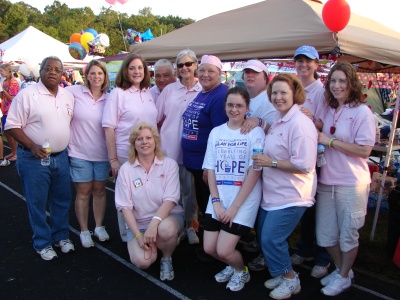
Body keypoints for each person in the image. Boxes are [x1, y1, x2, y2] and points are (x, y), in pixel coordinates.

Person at [252, 74, 318, 300]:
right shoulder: (280, 120)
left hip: (293, 194)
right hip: (273, 193)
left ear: (294, 95)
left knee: (272, 238)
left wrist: (269, 162)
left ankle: (291, 279)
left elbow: (305, 164)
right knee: (263, 235)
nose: (278, 97)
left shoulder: (300, 123)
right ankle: (282, 273)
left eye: (283, 93)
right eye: (275, 93)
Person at [5, 56, 75, 261]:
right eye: (48, 68)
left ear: (62, 74)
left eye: (57, 69)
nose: (52, 72)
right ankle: (42, 242)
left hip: (61, 157)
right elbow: (12, 125)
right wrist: (31, 145)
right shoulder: (27, 95)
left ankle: (61, 236)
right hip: (34, 159)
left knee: (62, 200)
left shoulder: (67, 95)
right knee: (37, 203)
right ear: (41, 71)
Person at [316, 62, 375, 296]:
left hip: (352, 183)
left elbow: (365, 151)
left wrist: (329, 141)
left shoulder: (362, 112)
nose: (337, 86)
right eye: (333, 81)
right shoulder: (330, 109)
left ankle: (342, 276)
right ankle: (343, 269)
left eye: (342, 81)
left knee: (348, 235)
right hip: (327, 182)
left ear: (352, 83)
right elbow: (319, 128)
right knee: (326, 235)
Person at [202, 87, 264, 291]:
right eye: (230, 105)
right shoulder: (216, 132)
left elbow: (254, 172)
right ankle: (231, 265)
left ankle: (240, 270)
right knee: (209, 248)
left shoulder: (255, 133)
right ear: (225, 106)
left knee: (224, 250)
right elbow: (210, 169)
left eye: (239, 105)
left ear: (247, 107)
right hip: (219, 198)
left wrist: (234, 208)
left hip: (242, 201)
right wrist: (216, 202)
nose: (234, 109)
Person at [115, 123, 184, 281]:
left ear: (156, 141)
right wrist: (139, 235)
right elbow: (125, 207)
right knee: (143, 262)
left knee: (165, 230)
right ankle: (156, 242)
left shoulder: (169, 165)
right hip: (138, 224)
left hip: (166, 219)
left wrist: (154, 225)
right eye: (139, 139)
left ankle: (166, 257)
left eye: (148, 138)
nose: (144, 142)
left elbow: (171, 199)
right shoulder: (126, 169)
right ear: (133, 144)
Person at [102, 53, 157, 242]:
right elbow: (109, 127)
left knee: (145, 195)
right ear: (125, 70)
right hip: (127, 154)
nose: (136, 71)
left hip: (149, 153)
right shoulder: (118, 93)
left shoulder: (148, 93)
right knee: (127, 197)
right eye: (132, 68)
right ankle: (129, 236)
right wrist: (113, 159)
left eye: (140, 68)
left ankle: (145, 232)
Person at [290, 45, 331, 278]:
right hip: (295, 155)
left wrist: (311, 119)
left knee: (317, 208)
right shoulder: (293, 87)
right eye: (299, 60)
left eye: (308, 61)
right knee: (304, 205)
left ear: (316, 64)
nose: (303, 65)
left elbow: (327, 126)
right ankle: (305, 248)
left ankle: (322, 255)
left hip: (315, 157)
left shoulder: (322, 92)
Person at [156, 49, 202, 244]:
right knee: (167, 191)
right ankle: (168, 224)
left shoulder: (203, 90)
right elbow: (156, 119)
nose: (184, 68)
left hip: (191, 153)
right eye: (180, 65)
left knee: (190, 192)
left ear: (195, 65)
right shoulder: (169, 90)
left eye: (188, 64)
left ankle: (191, 225)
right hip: (168, 151)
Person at [67, 60, 111, 248]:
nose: (96, 77)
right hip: (79, 153)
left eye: (100, 73)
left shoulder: (109, 98)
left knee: (100, 191)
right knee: (83, 192)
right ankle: (84, 230)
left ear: (105, 77)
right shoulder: (74, 92)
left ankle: (99, 227)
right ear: (86, 75)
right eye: (92, 73)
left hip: (102, 154)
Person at [181, 55, 228, 218]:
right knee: (203, 204)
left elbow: (220, 136)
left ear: (219, 73)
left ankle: (214, 237)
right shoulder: (204, 92)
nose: (205, 74)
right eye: (202, 70)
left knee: (210, 205)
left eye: (210, 71)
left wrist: (210, 166)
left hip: (205, 166)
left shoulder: (220, 95)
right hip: (195, 164)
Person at [240, 59, 276, 270]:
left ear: (265, 77)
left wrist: (261, 123)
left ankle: (266, 253)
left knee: (265, 210)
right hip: (251, 165)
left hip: (267, 165)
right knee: (254, 205)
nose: (250, 76)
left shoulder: (269, 100)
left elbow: (277, 130)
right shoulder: (248, 99)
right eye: (247, 73)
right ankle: (259, 241)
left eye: (255, 73)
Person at [0, 63, 20, 162]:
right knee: (6, 132)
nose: (0, 72)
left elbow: (12, 97)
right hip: (4, 110)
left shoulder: (13, 82)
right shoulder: (4, 82)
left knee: (12, 132)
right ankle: (13, 151)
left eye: (1, 71)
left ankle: (16, 153)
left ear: (7, 71)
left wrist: (3, 90)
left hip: (11, 110)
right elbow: (2, 97)